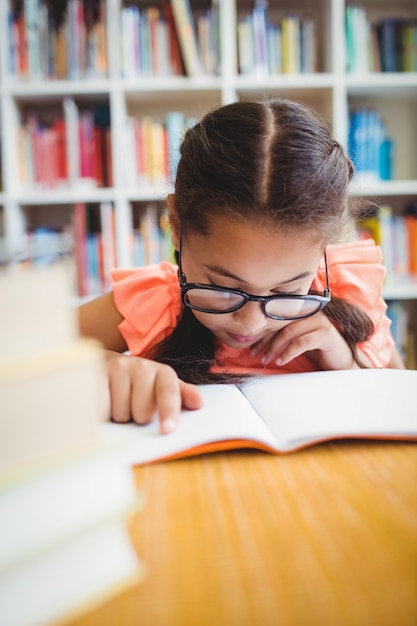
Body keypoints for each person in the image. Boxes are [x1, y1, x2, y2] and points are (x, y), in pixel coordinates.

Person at [78, 98, 404, 434]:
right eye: (223, 288)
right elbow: (31, 355)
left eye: (288, 290)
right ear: (177, 226)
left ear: (324, 248)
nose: (251, 323)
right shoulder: (157, 302)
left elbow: (400, 402)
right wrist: (105, 366)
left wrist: (348, 365)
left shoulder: (350, 291)